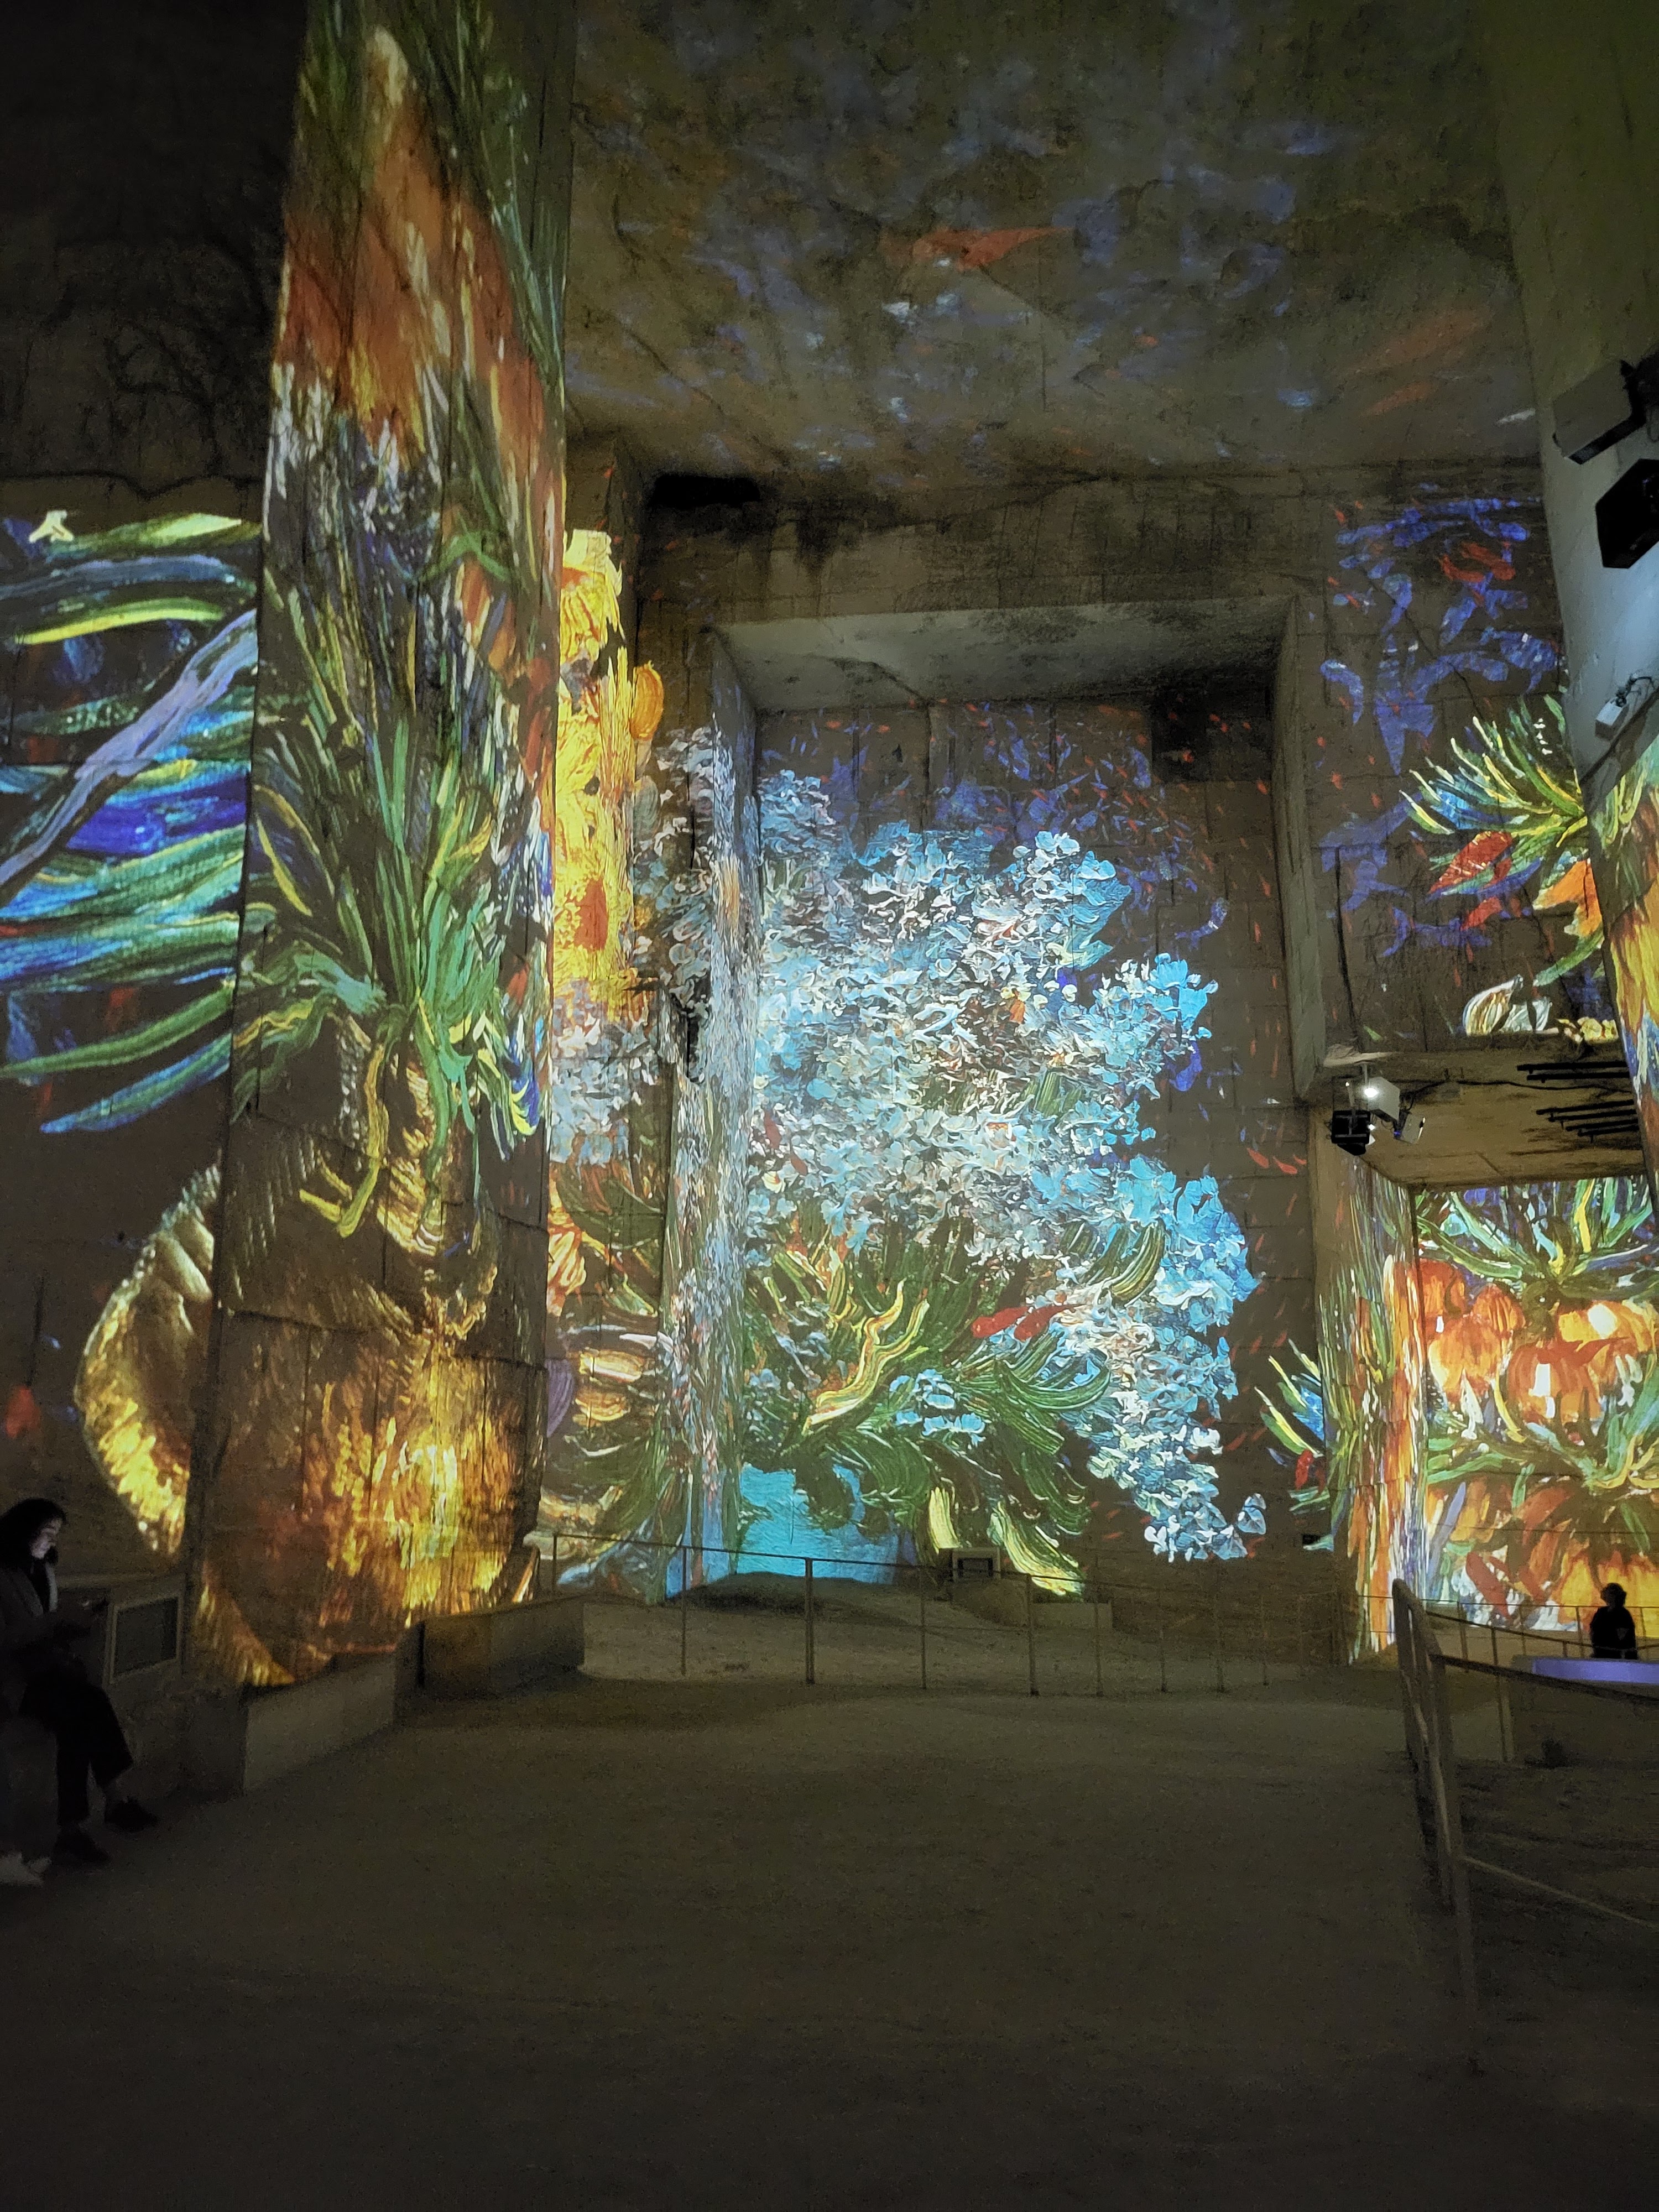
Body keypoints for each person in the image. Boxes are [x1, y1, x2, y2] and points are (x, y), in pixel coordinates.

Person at [0, 1496, 157, 1867]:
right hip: (18, 1680)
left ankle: (112, 1802)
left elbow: (47, 1626)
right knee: (77, 1716)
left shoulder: (45, 1571)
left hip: (49, 1669)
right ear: (25, 1530)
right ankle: (78, 1825)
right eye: (47, 1532)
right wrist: (52, 1623)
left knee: (93, 1701)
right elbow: (6, 1640)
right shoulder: (3, 1576)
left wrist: (74, 1624)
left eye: (56, 1534)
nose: (52, 1541)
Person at [1588, 1581, 1640, 1663]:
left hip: (1619, 1657)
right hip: (1601, 1653)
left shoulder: (1623, 1614)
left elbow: (1622, 1637)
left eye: (1610, 1593)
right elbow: (1593, 1630)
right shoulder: (1601, 1612)